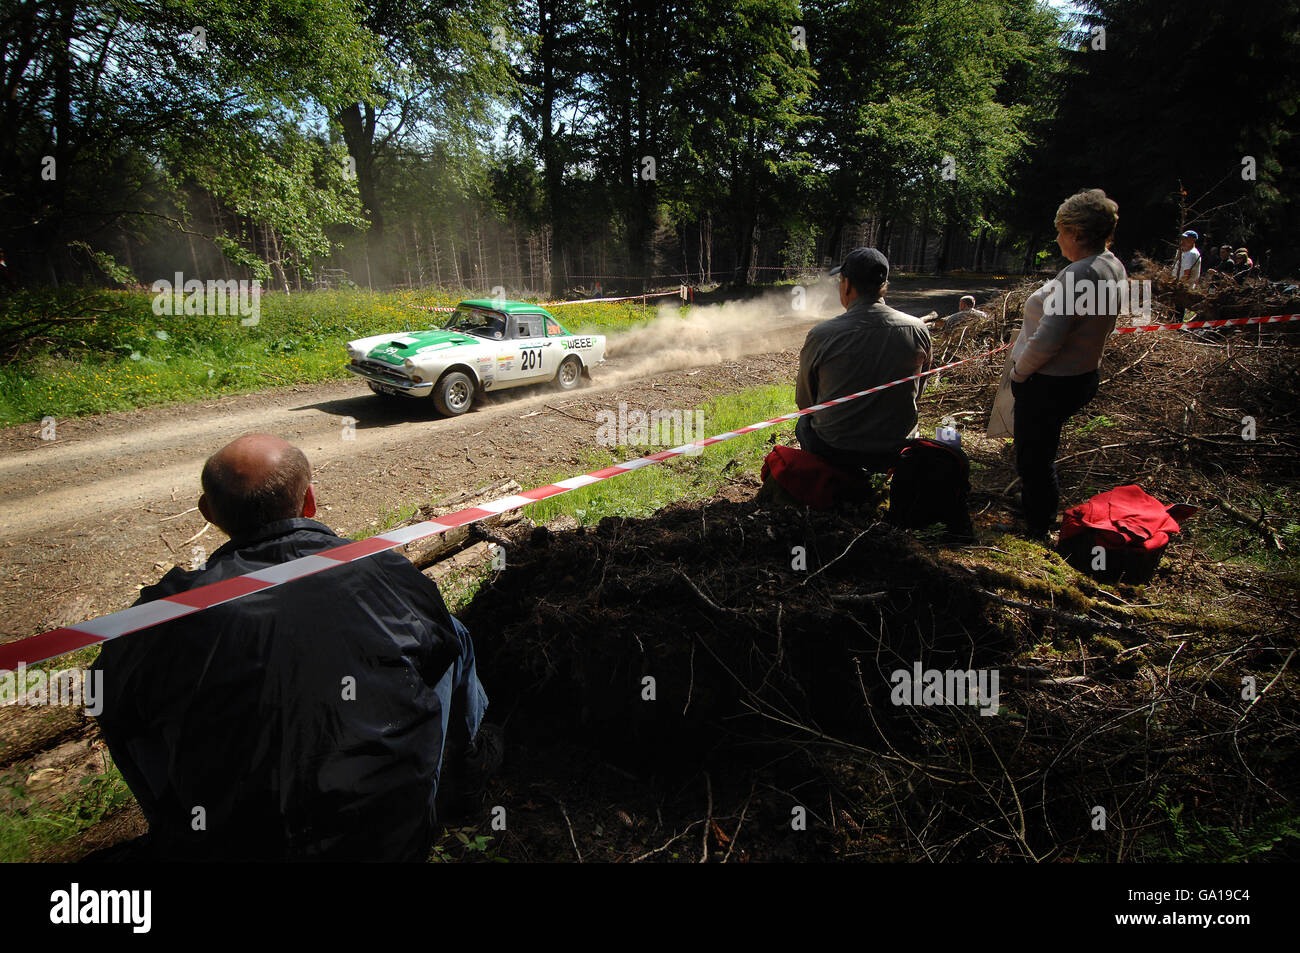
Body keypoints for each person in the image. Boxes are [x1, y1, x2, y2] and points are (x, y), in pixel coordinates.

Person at [91, 434, 496, 861]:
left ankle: (176, 831)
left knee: (115, 702)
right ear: (310, 501)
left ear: (209, 513)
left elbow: (104, 697)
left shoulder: (165, 614)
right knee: (451, 631)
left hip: (237, 843)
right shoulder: (383, 569)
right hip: (389, 838)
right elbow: (437, 649)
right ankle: (465, 776)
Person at [1009, 188, 1126, 541]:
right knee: (1041, 450)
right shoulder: (1112, 265)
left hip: (1049, 380)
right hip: (1082, 373)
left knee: (1034, 455)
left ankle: (1037, 526)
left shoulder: (1079, 275)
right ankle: (1036, 504)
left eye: (1061, 231)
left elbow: (1048, 339)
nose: (1056, 238)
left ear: (1077, 233)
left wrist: (1019, 372)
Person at [795, 247, 932, 473]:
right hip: (897, 448)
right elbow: (917, 392)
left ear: (847, 285)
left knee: (803, 425)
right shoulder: (918, 329)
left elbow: (805, 403)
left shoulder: (822, 334)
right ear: (883, 285)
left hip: (836, 450)